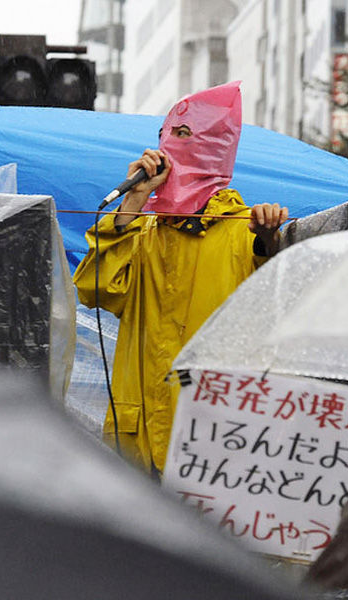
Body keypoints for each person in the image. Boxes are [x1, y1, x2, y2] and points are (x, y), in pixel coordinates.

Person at [73, 81, 288, 475]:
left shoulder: (243, 232)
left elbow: (278, 302)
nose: (168, 145)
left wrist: (271, 239)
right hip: (136, 449)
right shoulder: (142, 230)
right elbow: (94, 288)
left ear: (215, 147)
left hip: (212, 449)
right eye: (164, 135)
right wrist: (133, 202)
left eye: (184, 134)